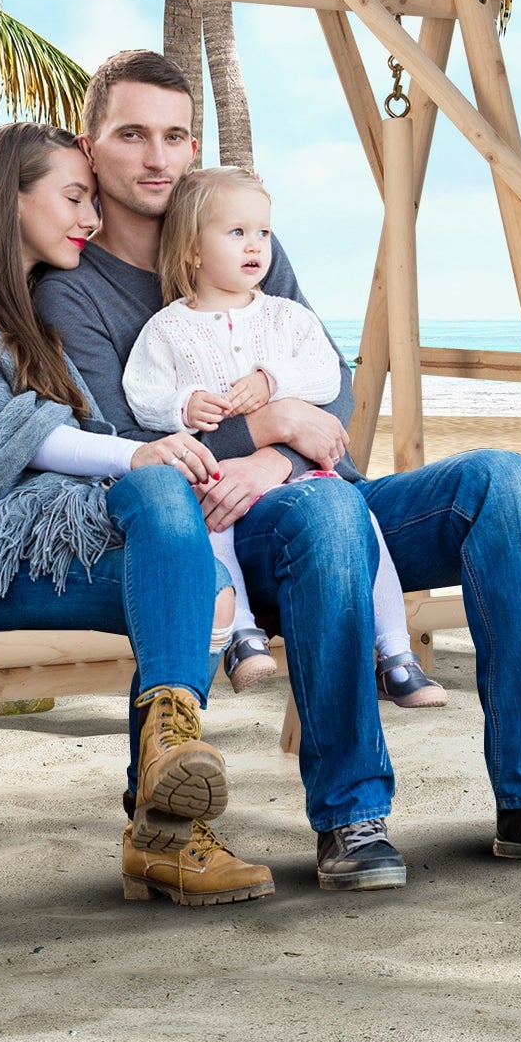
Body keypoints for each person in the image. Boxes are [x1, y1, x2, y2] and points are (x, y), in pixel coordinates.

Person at [37, 50, 521, 892]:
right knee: (328, 518)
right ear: (93, 148)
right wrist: (268, 428)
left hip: (319, 494)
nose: (157, 157)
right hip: (226, 534)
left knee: (508, 483)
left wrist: (274, 447)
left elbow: (328, 385)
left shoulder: (243, 239)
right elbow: (127, 443)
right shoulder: (74, 291)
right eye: (132, 135)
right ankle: (351, 818)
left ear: (193, 147)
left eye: (174, 136)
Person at [0, 121, 274, 907]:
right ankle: (167, 835)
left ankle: (163, 815)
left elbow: (77, 432)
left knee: (201, 584)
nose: (89, 218)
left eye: (91, 200)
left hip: (51, 557)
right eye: (74, 197)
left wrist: (146, 456)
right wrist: (137, 456)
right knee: (165, 512)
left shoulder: (27, 311)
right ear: (9, 198)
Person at [122, 164, 446, 708]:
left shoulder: (287, 318)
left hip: (300, 482)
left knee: (364, 527)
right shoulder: (168, 329)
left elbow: (326, 374)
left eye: (263, 233)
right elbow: (142, 394)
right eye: (236, 232)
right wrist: (183, 405)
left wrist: (274, 383)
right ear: (194, 252)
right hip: (221, 484)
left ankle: (395, 655)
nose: (256, 246)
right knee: (212, 527)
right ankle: (243, 636)